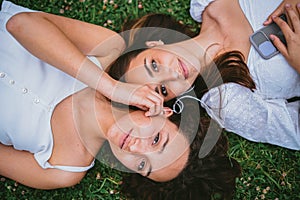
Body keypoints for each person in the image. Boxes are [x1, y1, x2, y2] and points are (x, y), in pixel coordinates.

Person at [0, 1, 241, 199]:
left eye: (142, 165)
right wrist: (111, 87)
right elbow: (20, 24)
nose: (134, 149)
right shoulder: (108, 51)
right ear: (162, 112)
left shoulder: (62, 170)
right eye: (156, 139)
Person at [108, 0, 300, 151]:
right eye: (163, 90)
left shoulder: (203, 3)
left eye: (154, 65)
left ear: (154, 43)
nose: (172, 75)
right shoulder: (226, 102)